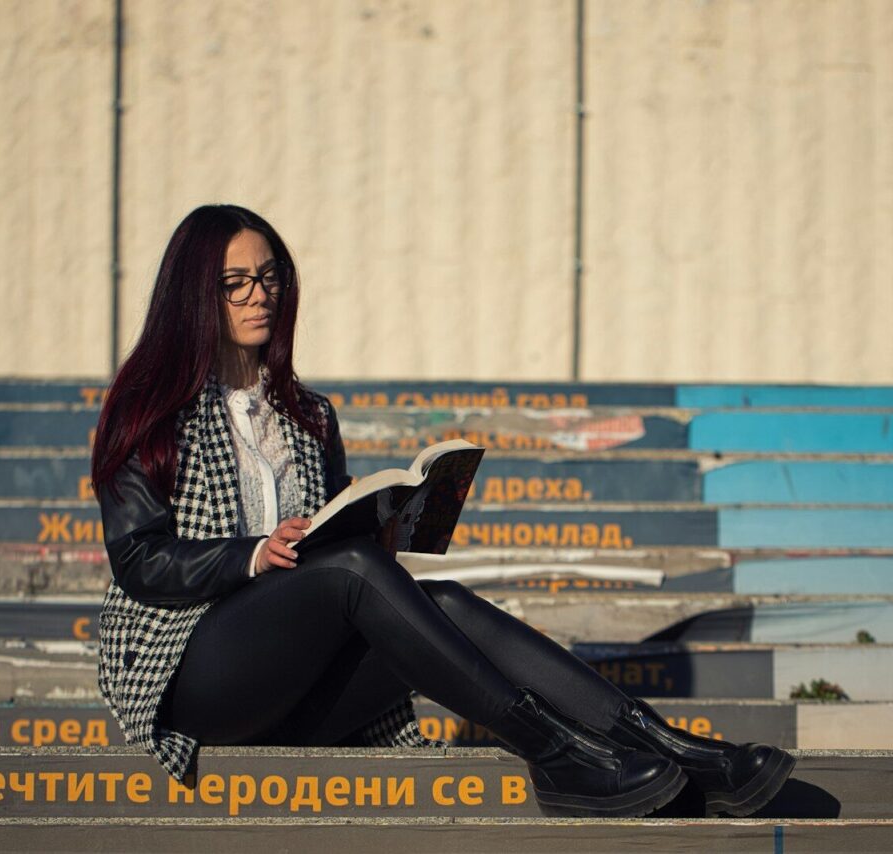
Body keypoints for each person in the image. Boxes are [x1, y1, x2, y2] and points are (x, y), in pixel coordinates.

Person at [91, 204, 795, 818]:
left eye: (270, 276)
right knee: (354, 573)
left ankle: (671, 748)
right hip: (192, 674)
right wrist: (252, 553)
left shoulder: (307, 414)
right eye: (235, 283)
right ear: (194, 296)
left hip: (298, 683)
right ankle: (553, 752)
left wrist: (386, 524)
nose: (259, 295)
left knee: (447, 602)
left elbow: (332, 542)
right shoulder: (150, 410)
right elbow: (138, 560)